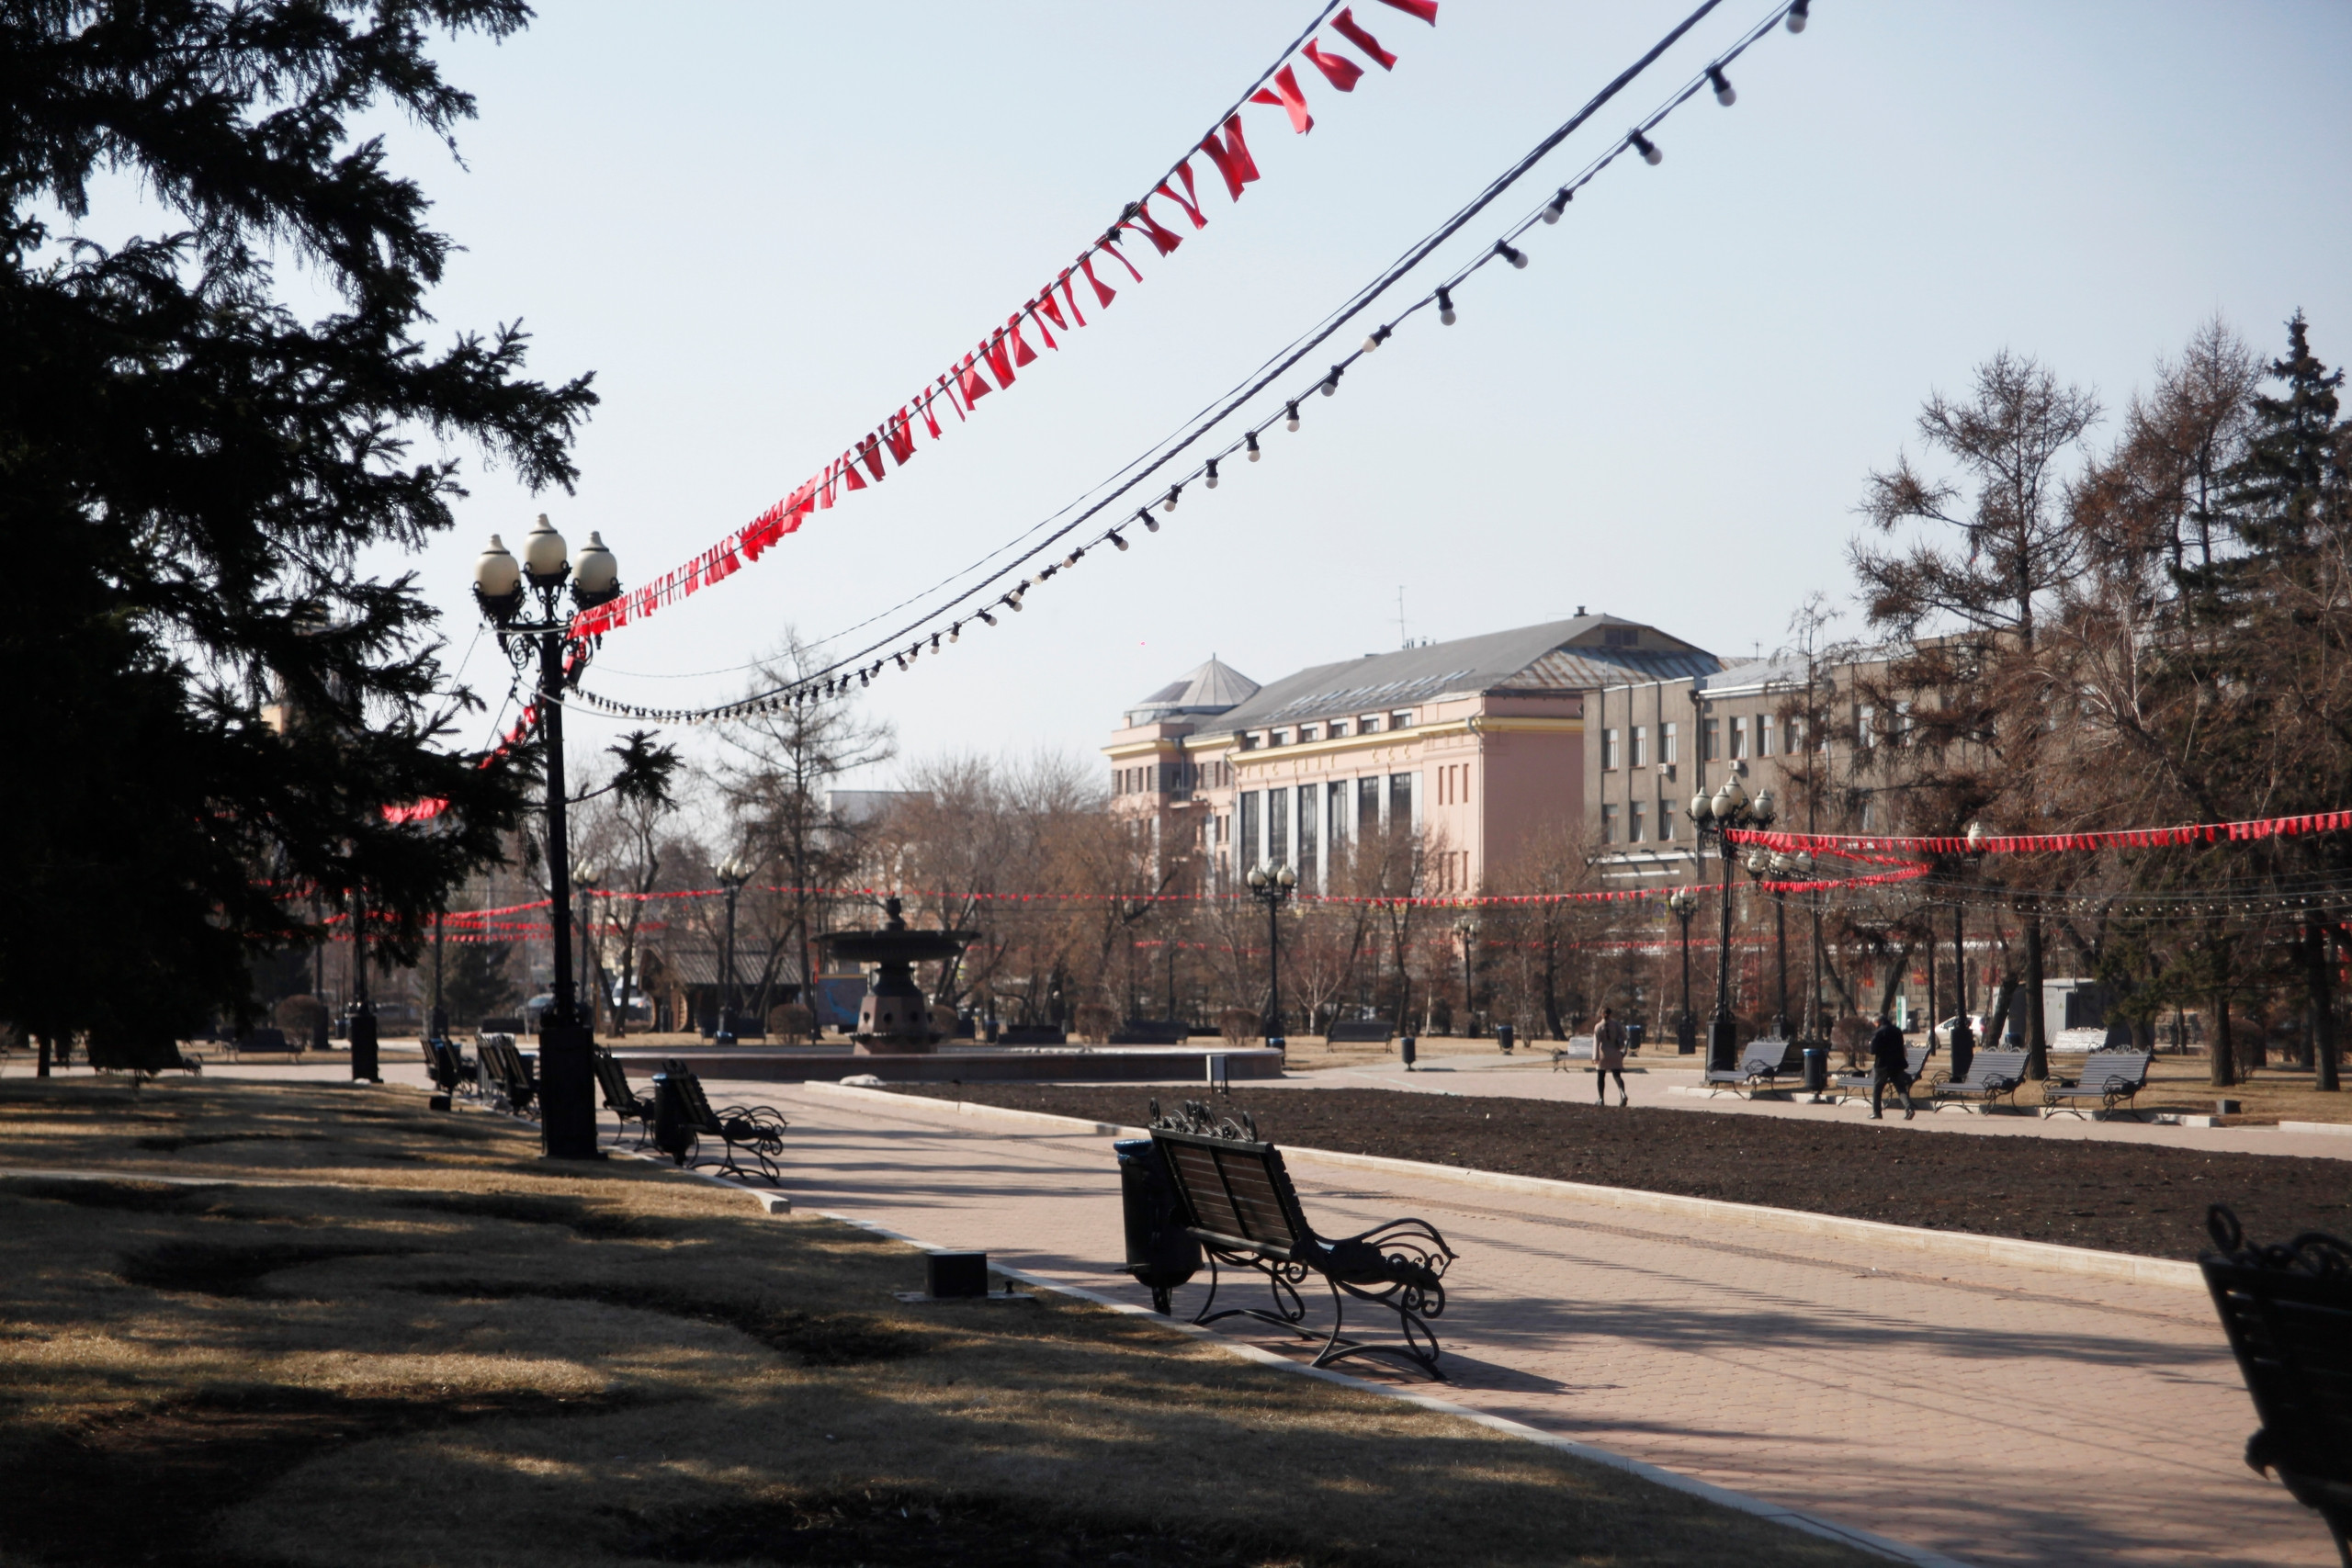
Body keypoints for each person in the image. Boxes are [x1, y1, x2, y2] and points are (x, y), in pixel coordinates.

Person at [1869, 1010, 1915, 1120]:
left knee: (1877, 1089)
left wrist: (1870, 1045)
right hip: (1897, 1064)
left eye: (1874, 1023)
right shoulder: (1897, 1030)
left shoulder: (1879, 1032)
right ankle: (1909, 1108)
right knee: (1900, 1087)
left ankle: (1877, 1112)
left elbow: (1873, 1050)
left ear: (1878, 1022)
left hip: (1883, 1065)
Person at [1594, 1006, 1629, 1107]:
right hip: (1615, 1052)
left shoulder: (1598, 1026)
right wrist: (1622, 1049)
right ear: (1611, 1014)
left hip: (1603, 1053)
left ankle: (1601, 1099)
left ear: (1601, 1014)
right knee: (1617, 1075)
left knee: (1601, 1076)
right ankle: (1622, 1094)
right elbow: (1625, 1037)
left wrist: (1595, 1057)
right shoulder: (1616, 1025)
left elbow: (1596, 1043)